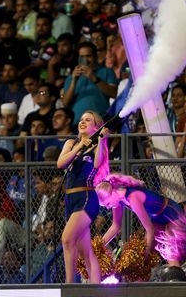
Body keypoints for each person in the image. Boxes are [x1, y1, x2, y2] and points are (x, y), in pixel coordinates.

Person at [56, 110, 110, 283]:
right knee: (85, 251)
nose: (83, 122)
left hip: (87, 197)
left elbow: (97, 163)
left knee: (66, 239)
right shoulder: (71, 143)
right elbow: (60, 163)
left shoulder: (97, 145)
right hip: (70, 199)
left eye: (88, 120)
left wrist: (101, 140)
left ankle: (69, 285)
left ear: (96, 126)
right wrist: (79, 146)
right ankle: (96, 288)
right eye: (81, 119)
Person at [96, 173, 183, 265]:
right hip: (157, 218)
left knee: (168, 248)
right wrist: (98, 247)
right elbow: (115, 226)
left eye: (107, 204)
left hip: (171, 212)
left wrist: (144, 255)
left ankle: (176, 274)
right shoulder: (118, 202)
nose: (108, 208)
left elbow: (150, 229)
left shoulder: (132, 198)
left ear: (112, 192)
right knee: (148, 251)